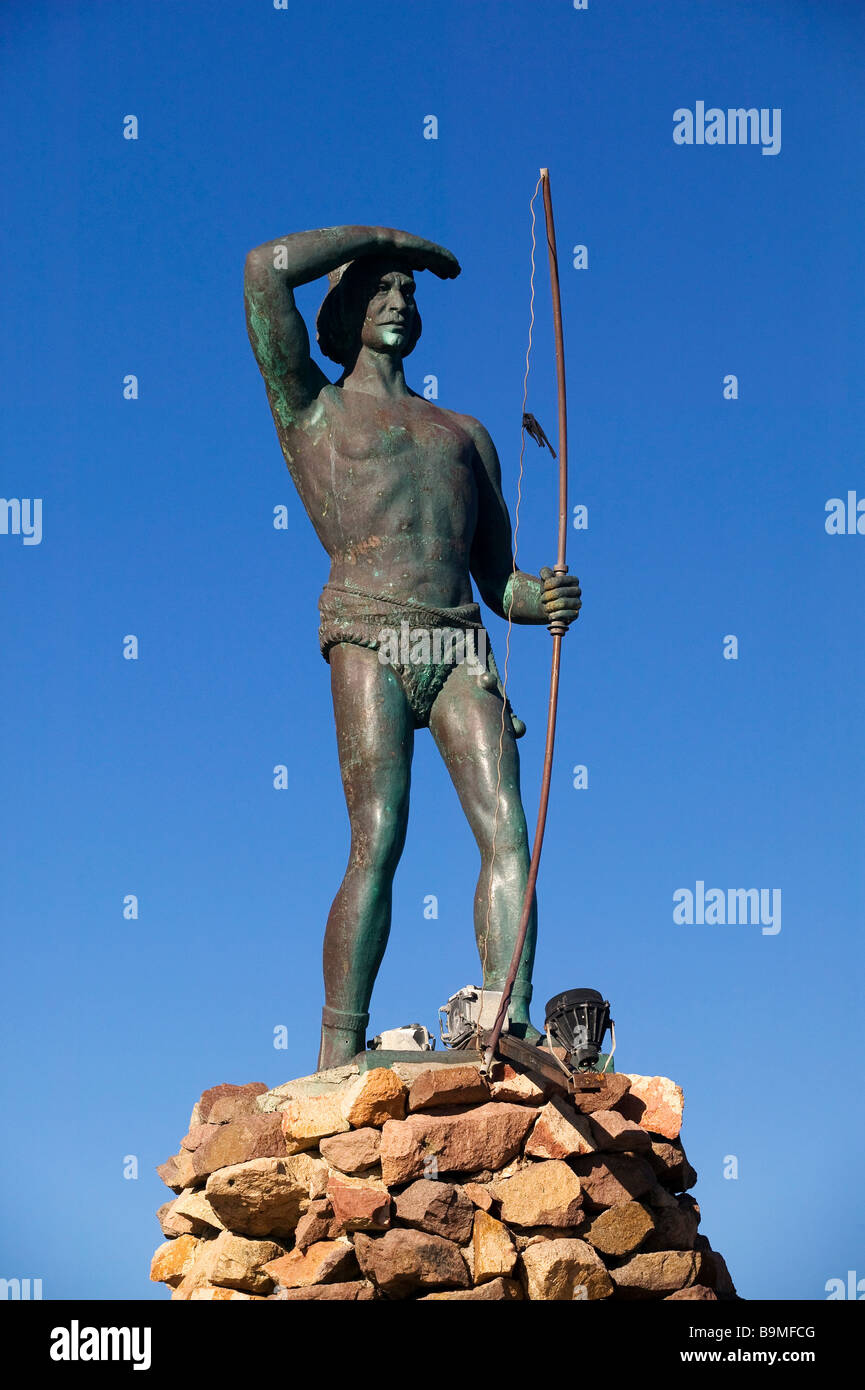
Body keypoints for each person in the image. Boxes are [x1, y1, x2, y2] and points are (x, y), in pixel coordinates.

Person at [244, 225, 582, 1068]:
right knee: (380, 835)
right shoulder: (310, 410)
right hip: (368, 628)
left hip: (458, 637)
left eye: (408, 290)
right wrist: (385, 237)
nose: (399, 301)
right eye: (381, 288)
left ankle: (508, 1018)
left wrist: (543, 596)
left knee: (508, 830)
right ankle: (338, 1047)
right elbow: (262, 273)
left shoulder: (464, 436)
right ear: (347, 310)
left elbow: (498, 580)